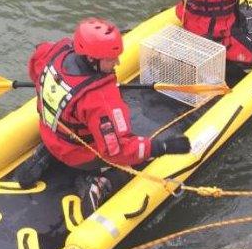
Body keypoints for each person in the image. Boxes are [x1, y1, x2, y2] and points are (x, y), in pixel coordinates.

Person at [17, 17, 191, 212]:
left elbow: (35, 68)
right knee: (136, 161)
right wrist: (162, 147)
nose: (117, 62)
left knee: (70, 125)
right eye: (110, 59)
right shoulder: (100, 99)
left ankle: (47, 153)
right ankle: (99, 182)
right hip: (79, 154)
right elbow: (116, 150)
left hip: (50, 133)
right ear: (91, 58)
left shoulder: (55, 50)